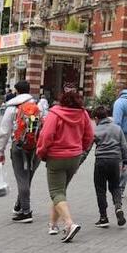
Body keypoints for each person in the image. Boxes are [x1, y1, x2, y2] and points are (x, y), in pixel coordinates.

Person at [36, 88, 94, 243]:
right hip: (74, 157)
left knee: (56, 192)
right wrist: (80, 148)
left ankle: (69, 224)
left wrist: (41, 152)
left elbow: (46, 135)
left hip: (56, 156)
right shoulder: (83, 114)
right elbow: (89, 136)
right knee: (60, 191)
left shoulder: (54, 114)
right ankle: (53, 224)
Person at [0, 80, 41, 223]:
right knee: (27, 178)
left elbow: (4, 131)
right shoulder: (38, 105)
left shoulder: (12, 107)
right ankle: (19, 205)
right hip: (36, 146)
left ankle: (26, 212)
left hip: (19, 146)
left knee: (22, 179)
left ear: (16, 90)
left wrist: (1, 151)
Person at [83, 106, 127, 228]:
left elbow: (87, 149)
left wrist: (78, 163)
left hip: (101, 162)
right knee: (115, 186)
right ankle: (118, 207)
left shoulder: (95, 131)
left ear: (97, 118)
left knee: (100, 189)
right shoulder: (117, 128)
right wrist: (126, 162)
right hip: (115, 161)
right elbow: (124, 146)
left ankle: (103, 217)